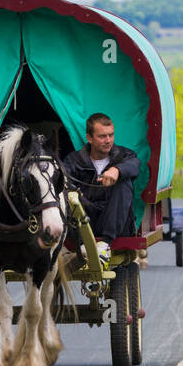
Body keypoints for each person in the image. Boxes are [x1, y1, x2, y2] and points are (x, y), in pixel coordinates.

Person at [61, 113, 140, 267]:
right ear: (89, 138)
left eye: (111, 135)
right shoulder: (73, 160)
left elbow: (134, 165)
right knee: (65, 190)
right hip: (83, 219)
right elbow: (63, 179)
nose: (108, 140)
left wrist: (117, 170)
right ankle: (83, 246)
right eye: (102, 136)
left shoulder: (124, 155)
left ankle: (104, 245)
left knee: (124, 183)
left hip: (114, 221)